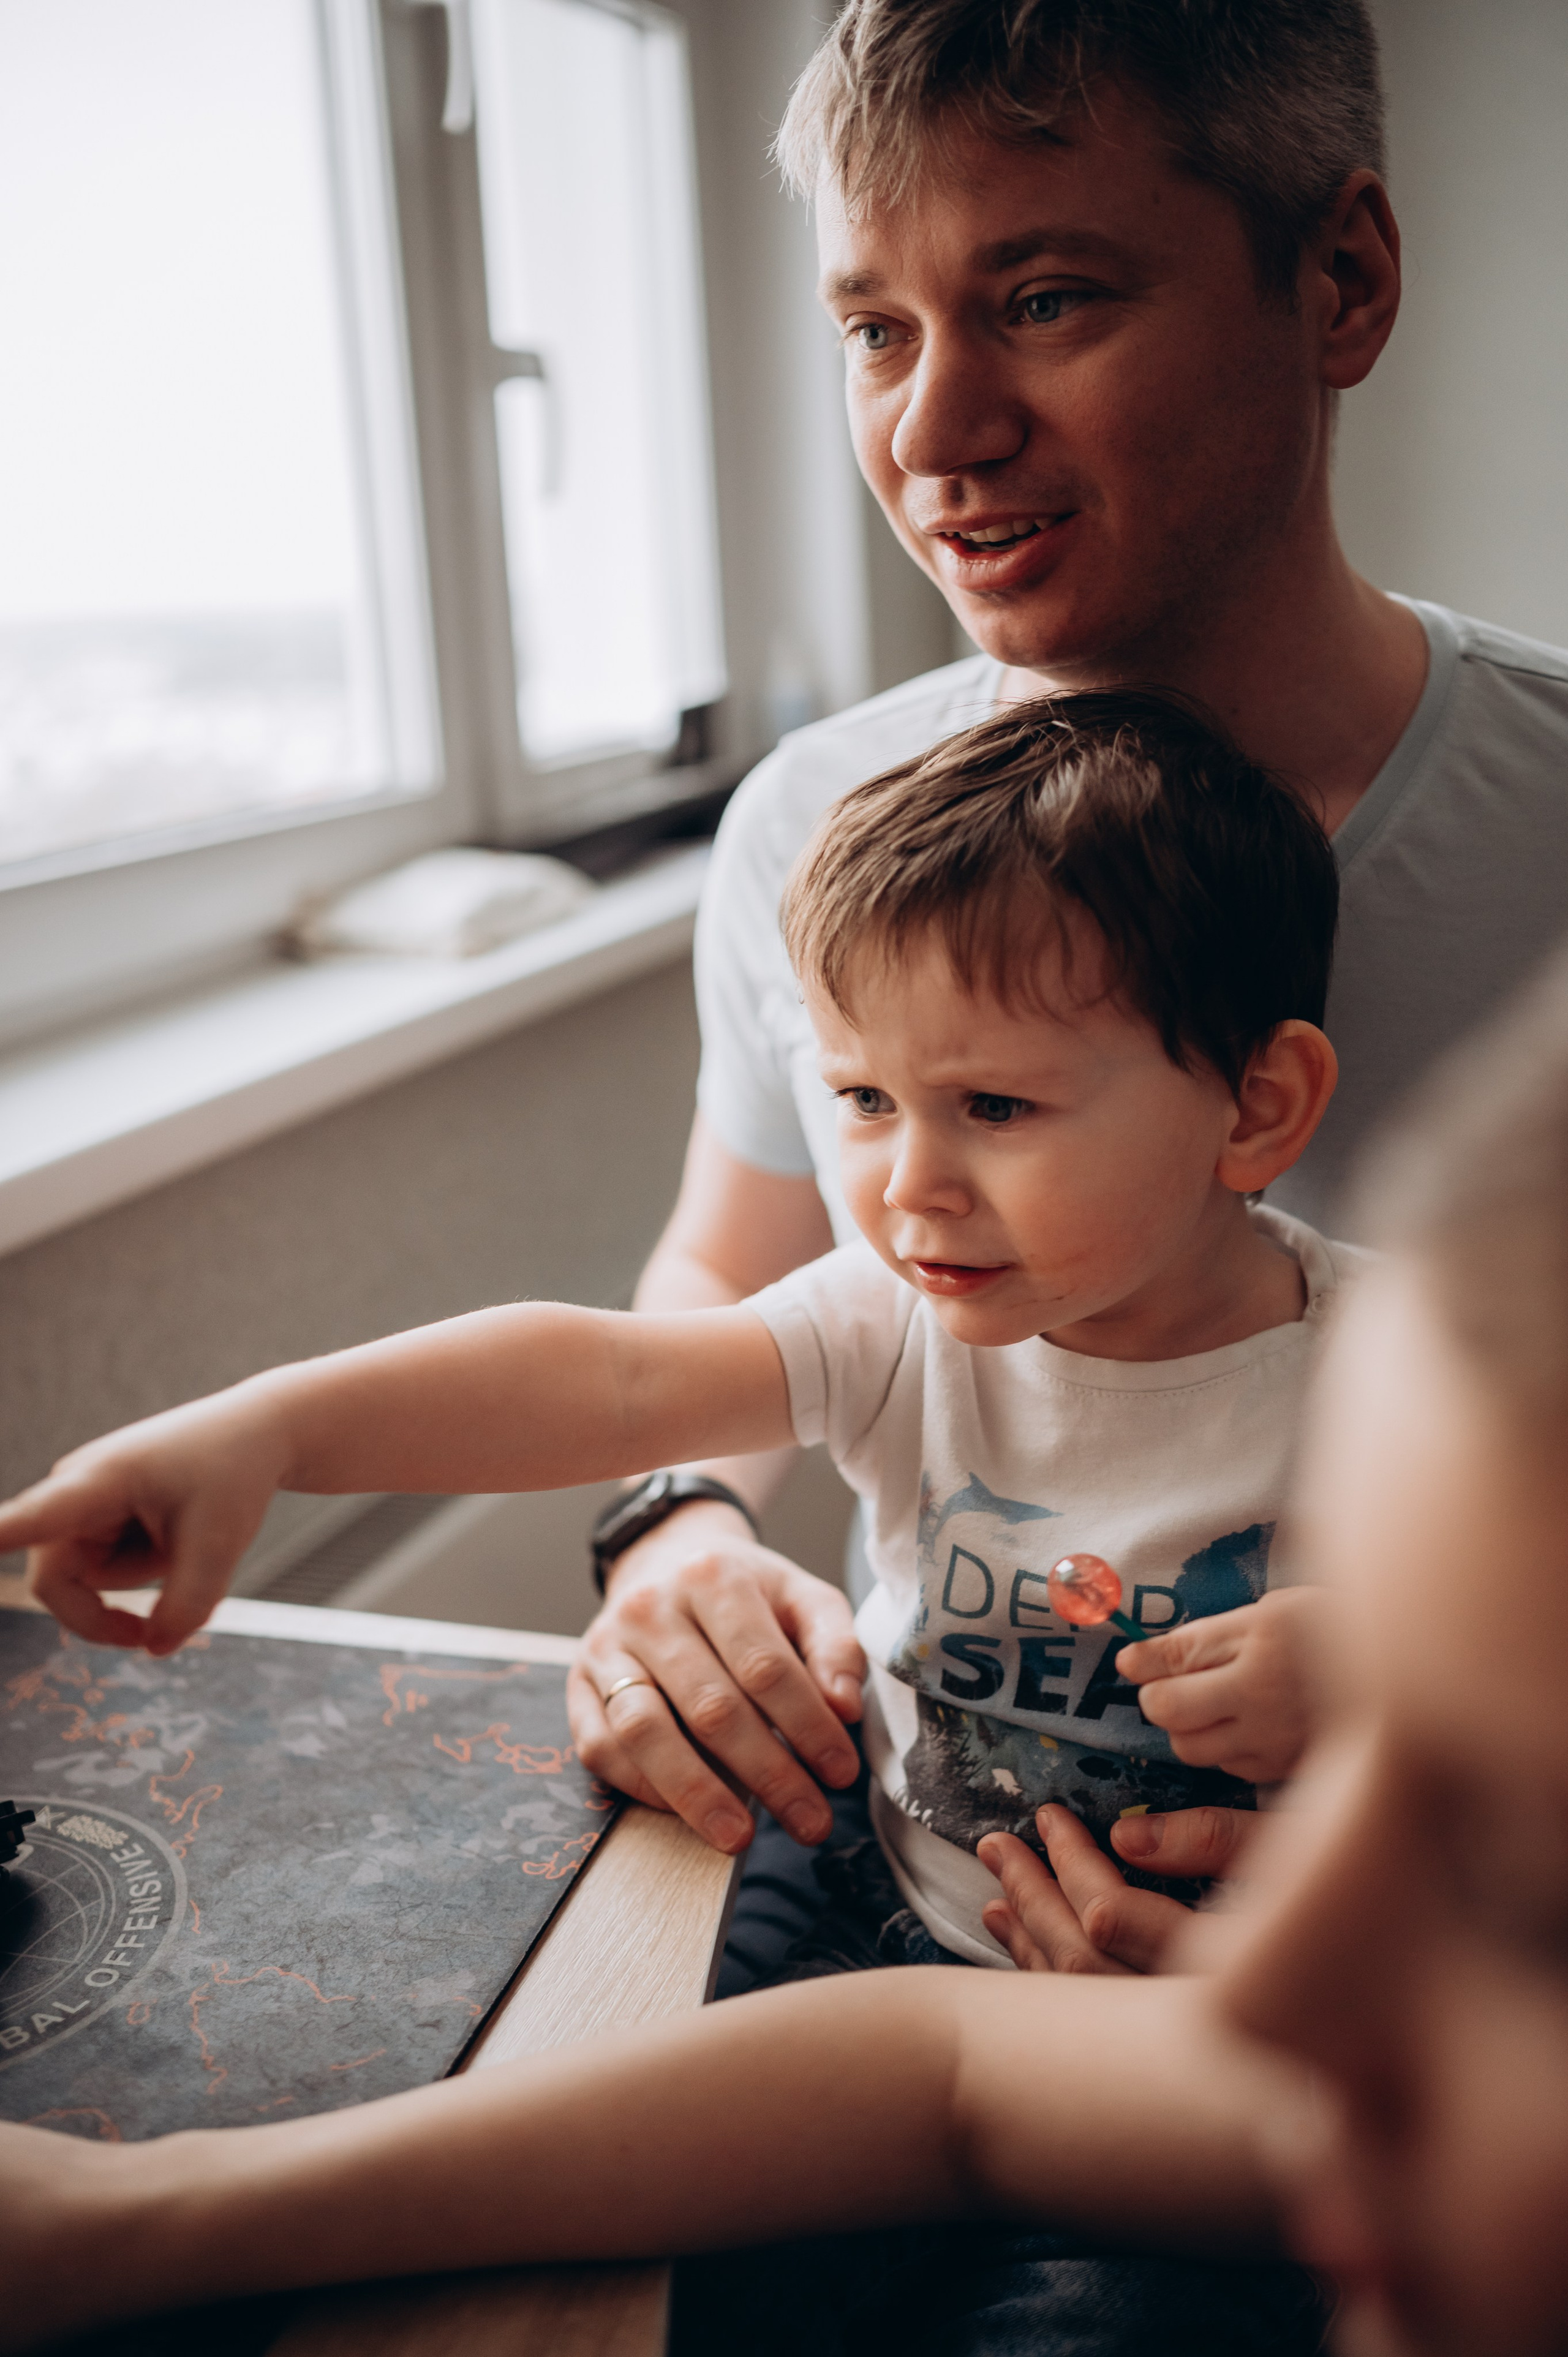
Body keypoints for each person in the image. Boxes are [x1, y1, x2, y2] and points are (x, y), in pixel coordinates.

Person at [5, 924, 1567, 2357]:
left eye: (995, 1106)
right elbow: (613, 1377)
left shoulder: (1377, 1349)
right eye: (864, 1101)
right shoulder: (900, 1314)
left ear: (1254, 1106)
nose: (908, 1183)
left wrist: (1373, 1673)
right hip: (876, 1896)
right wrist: (270, 1428)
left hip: (1131, 2071)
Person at [566, 0, 1568, 1960]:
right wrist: (674, 1527)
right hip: (922, 1898)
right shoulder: (813, 826)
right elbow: (727, 1269)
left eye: (1044, 300)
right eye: (877, 331)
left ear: (1341, 281)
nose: (931, 436)